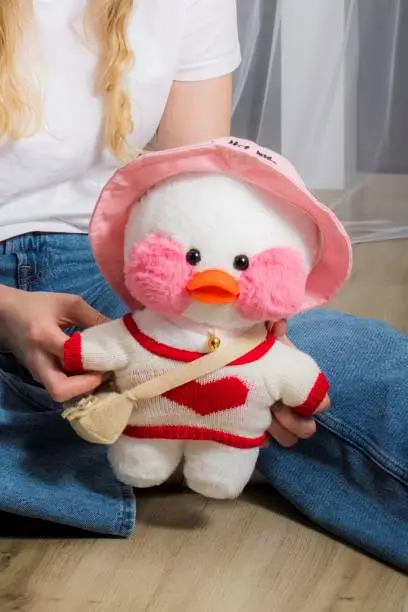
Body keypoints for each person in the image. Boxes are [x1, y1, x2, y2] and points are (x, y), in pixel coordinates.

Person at [0, 0, 407, 570]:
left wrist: (246, 331)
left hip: (119, 261)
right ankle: (136, 440)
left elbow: (195, 198)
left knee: (365, 369)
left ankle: (99, 443)